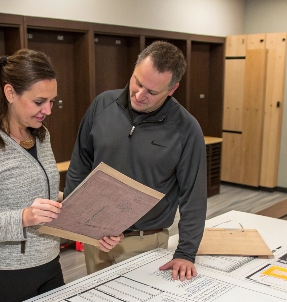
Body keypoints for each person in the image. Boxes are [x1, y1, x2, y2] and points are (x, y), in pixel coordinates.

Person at [0, 49, 121, 302]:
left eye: (52, 101)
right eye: (39, 101)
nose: (48, 110)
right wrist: (25, 217)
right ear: (9, 93)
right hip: (0, 275)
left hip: (49, 263)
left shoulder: (41, 136)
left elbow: (48, 197)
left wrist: (93, 217)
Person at [65, 41, 207, 282]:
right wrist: (77, 222)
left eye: (152, 92)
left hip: (145, 241)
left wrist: (186, 252)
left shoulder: (186, 129)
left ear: (172, 90)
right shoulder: (102, 105)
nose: (140, 95)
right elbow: (80, 165)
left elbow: (193, 196)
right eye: (137, 82)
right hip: (96, 239)